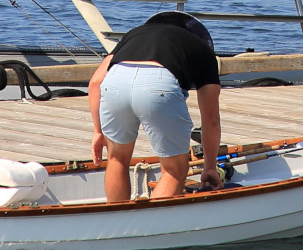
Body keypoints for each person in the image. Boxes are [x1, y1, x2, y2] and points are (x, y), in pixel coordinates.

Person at [87, 12, 223, 203]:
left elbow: (95, 83)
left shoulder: (134, 34)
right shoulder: (202, 50)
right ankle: (151, 226)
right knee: (174, 170)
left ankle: (118, 220)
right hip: (159, 83)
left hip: (115, 81)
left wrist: (97, 131)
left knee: (116, 159)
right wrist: (209, 167)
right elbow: (210, 120)